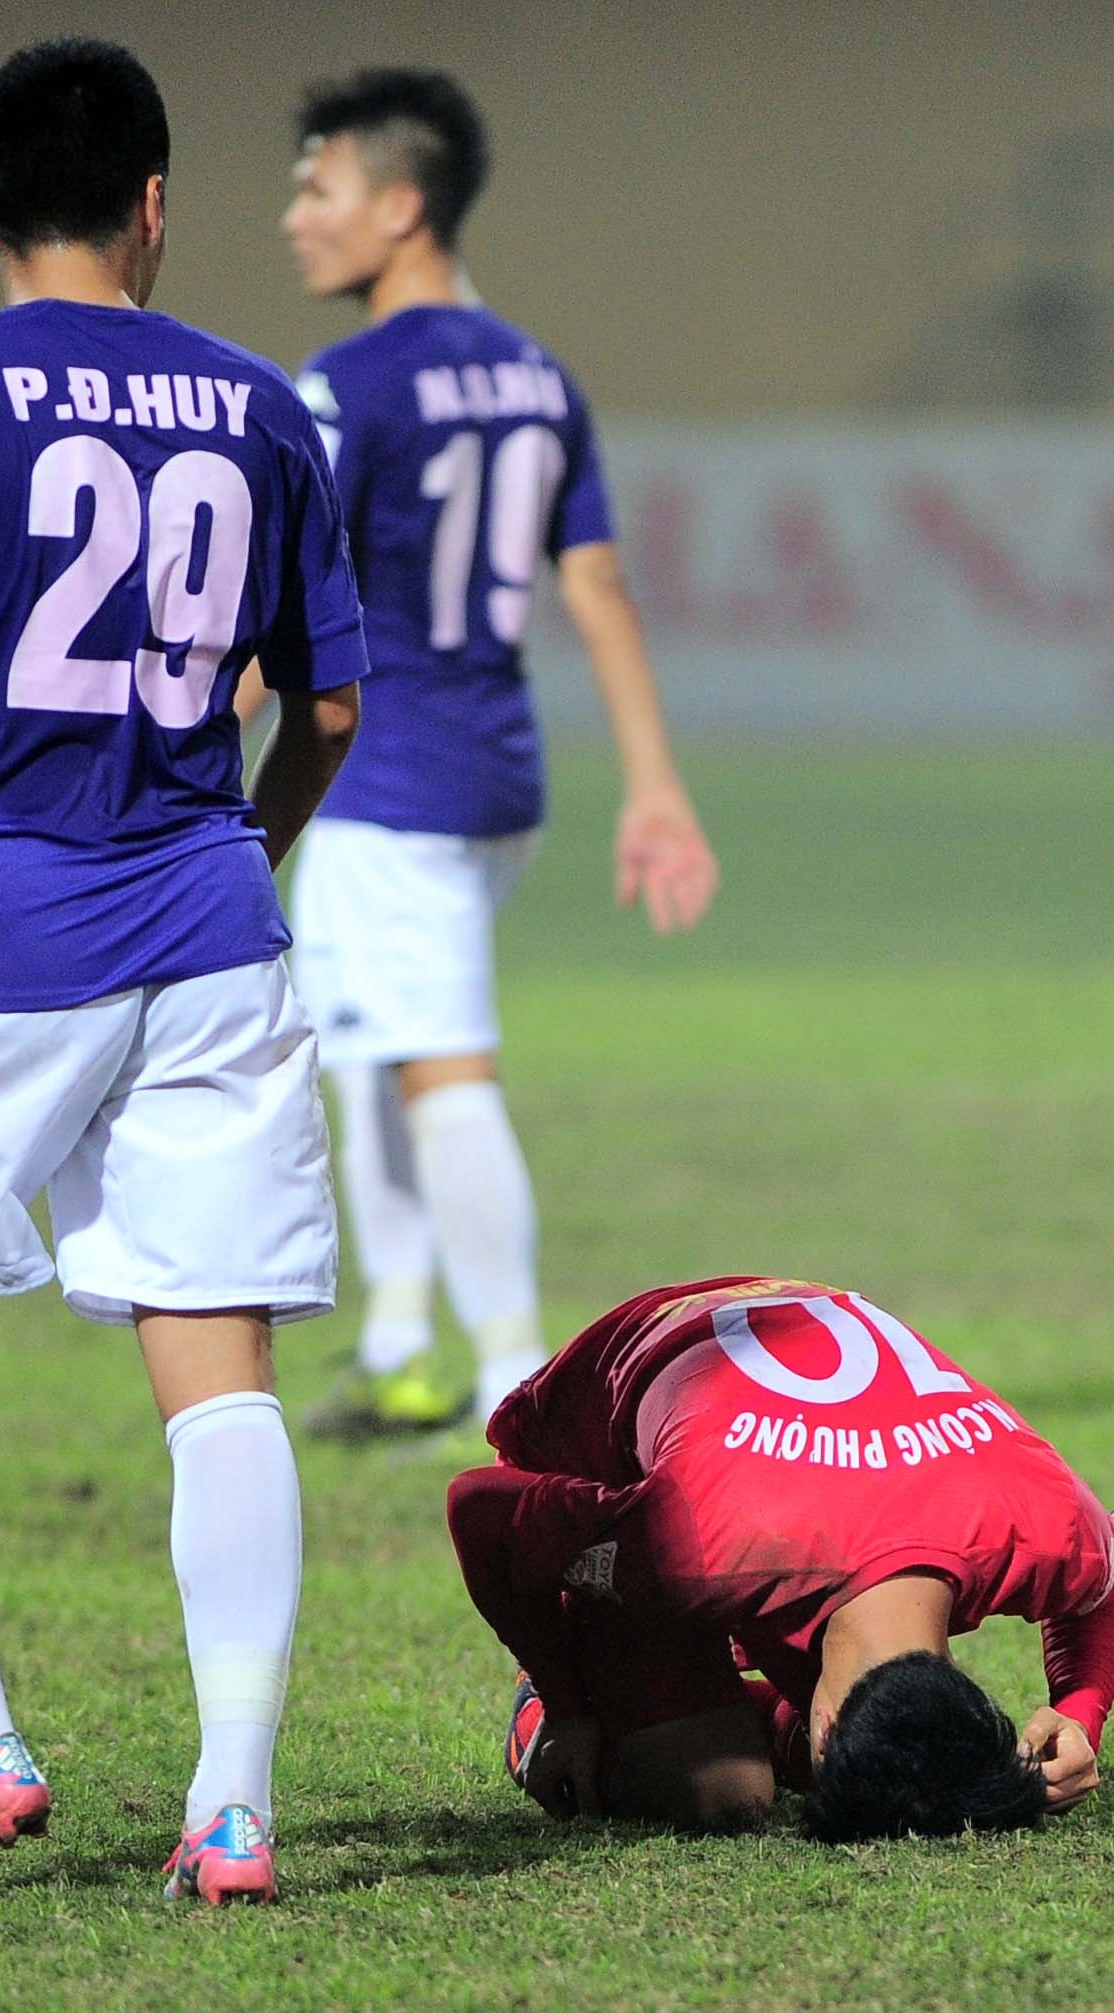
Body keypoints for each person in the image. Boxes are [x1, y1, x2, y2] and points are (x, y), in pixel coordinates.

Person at [0, 38, 366, 1905]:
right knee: (215, 1372)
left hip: (9, 937)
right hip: (212, 930)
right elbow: (332, 700)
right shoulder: (258, 402)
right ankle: (230, 1806)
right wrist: (241, 848)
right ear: (152, 207)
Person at [240, 69, 719, 1441]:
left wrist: (187, 751)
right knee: (358, 1034)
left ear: (398, 206)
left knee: (437, 1062)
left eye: (315, 189)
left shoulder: (340, 389)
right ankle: (400, 1336)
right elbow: (599, 584)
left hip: (388, 773)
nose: (293, 219)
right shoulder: (536, 373)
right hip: (497, 770)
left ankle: (518, 1380)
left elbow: (285, 608)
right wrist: (655, 782)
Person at [446, 1276, 1114, 1839]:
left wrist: (1080, 1711)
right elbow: (481, 1506)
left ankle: (726, 1707)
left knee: (881, 1773)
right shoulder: (694, 1544)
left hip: (783, 1411)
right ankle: (567, 1694)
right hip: (606, 1400)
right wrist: (565, 1697)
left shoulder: (1040, 1518)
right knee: (717, 1795)